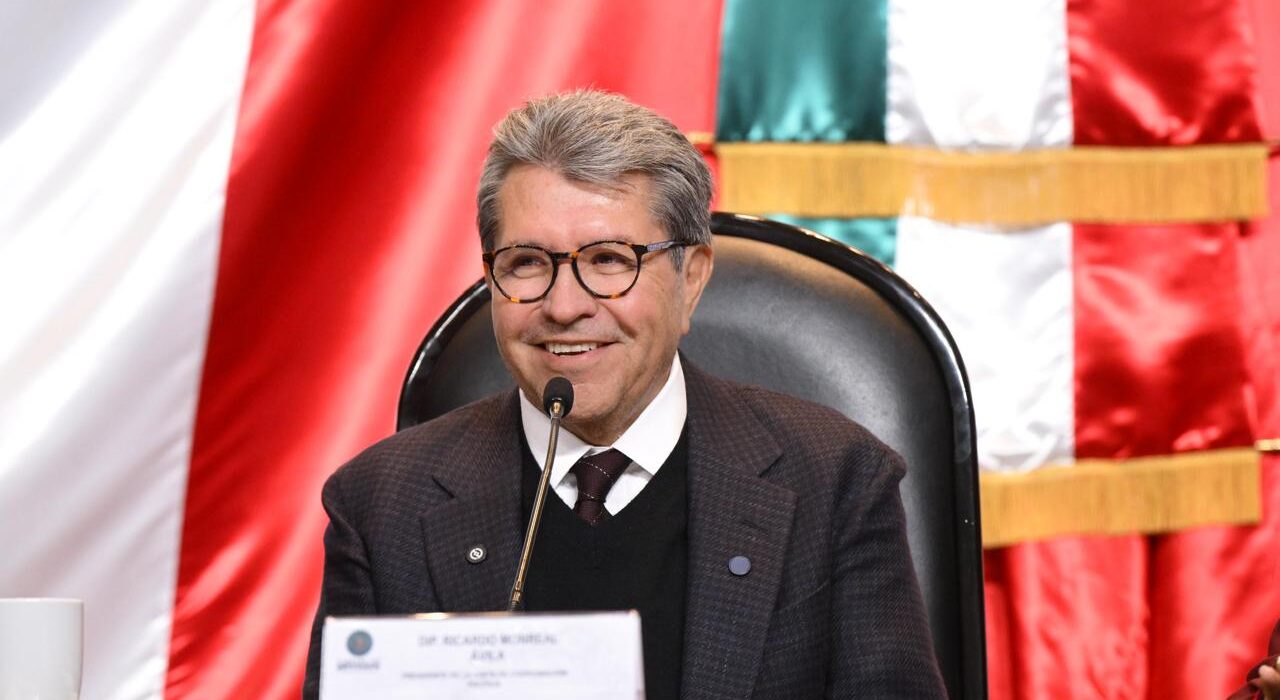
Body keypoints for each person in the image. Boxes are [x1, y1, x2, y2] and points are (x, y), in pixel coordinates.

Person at [303, 90, 945, 699]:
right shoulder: (380, 504)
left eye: (609, 260)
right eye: (527, 263)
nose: (564, 307)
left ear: (690, 281)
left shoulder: (836, 483)